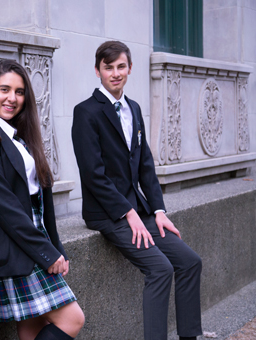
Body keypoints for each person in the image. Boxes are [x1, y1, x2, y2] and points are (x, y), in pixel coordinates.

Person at [71, 40, 202, 340]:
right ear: (97, 71)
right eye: (108, 68)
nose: (115, 73)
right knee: (160, 269)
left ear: (130, 68)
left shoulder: (134, 109)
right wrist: (128, 213)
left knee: (190, 262)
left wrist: (158, 211)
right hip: (108, 214)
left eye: (120, 67)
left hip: (140, 211)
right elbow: (94, 176)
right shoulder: (86, 113)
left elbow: (145, 166)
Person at [0, 59, 84, 340]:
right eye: (4, 89)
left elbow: (42, 203)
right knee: (72, 319)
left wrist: (56, 247)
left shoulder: (20, 137)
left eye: (19, 91)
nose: (12, 98)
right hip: (6, 248)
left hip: (30, 242)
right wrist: (46, 253)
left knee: (32, 329)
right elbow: (3, 204)